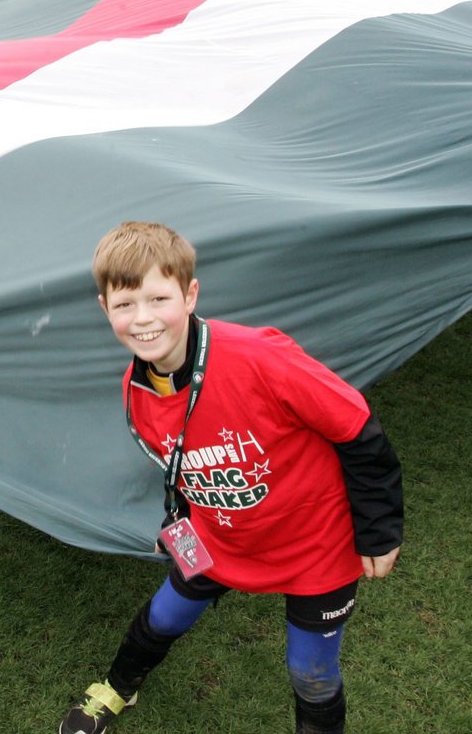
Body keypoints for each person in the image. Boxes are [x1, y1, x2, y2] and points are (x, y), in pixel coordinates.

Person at [60, 222, 403, 734]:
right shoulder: (135, 388)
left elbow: (358, 429)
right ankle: (115, 689)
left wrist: (379, 528)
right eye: (125, 304)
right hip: (221, 537)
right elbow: (178, 461)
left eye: (159, 298)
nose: (144, 319)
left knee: (310, 673)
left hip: (317, 546)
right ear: (104, 308)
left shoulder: (260, 356)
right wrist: (178, 519)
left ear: (190, 293)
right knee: (163, 618)